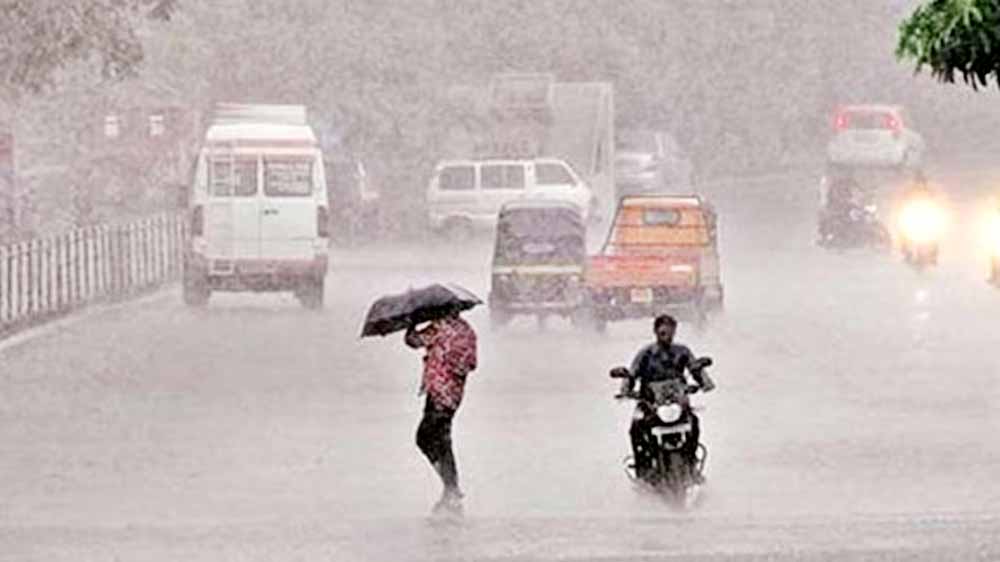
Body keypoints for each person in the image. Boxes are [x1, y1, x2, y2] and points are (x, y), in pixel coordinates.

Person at [617, 314, 713, 482]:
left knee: (694, 421)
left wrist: (704, 382)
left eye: (670, 331)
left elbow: (694, 368)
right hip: (650, 403)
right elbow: (632, 374)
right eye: (662, 331)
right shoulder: (646, 354)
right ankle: (643, 469)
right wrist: (626, 389)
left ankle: (691, 464)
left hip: (677, 401)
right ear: (655, 332)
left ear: (674, 331)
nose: (666, 335)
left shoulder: (682, 351)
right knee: (636, 428)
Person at [404, 307, 478, 514]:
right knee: (442, 438)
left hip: (437, 391)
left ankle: (450, 486)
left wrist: (412, 323)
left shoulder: (439, 328)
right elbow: (471, 363)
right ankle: (451, 487)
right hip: (454, 394)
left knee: (425, 437)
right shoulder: (467, 330)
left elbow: (413, 341)